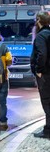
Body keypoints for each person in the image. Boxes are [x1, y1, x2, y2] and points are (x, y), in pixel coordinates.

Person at [30, 11, 50, 139]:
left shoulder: (41, 36)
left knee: (47, 102)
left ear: (38, 21)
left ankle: (48, 131)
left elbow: (41, 54)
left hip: (45, 74)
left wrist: (38, 69)